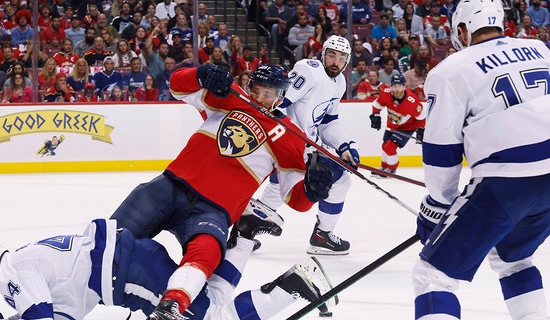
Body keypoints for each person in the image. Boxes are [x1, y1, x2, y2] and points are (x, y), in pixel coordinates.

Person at [110, 63, 335, 319]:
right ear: (249, 85)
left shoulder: (291, 136)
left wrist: (313, 190)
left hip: (213, 208)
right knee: (105, 243)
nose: (260, 98)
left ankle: (171, 306)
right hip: (169, 186)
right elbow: (177, 86)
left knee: (206, 252)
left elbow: (296, 200)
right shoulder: (231, 95)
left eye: (268, 94)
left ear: (281, 97)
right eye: (257, 90)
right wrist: (200, 74)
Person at [413, 0, 550, 318]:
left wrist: (439, 203)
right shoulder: (540, 49)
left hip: (506, 182)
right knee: (512, 259)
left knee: (433, 275)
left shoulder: (449, 71)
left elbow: (441, 152)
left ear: (462, 29)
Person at [0, 217, 328, 320]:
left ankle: (290, 286)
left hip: (125, 272)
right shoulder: (34, 263)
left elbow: (39, 317)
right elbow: (61, 314)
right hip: (128, 261)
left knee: (211, 317)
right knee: (212, 298)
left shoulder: (11, 270)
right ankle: (243, 238)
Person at [258, 36, 359, 256]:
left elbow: (328, 121)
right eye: (331, 54)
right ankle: (322, 236)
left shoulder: (339, 82)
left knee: (277, 188)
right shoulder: (308, 69)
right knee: (340, 181)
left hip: (302, 147)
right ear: (322, 54)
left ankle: (245, 230)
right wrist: (295, 140)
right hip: (287, 144)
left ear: (347, 61)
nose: (335, 61)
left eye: (341, 57)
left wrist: (345, 146)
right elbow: (277, 107)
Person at [368, 74, 424, 177]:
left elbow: (421, 117)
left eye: (399, 86)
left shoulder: (412, 101)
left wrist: (421, 130)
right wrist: (375, 116)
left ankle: (392, 169)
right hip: (392, 125)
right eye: (394, 86)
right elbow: (376, 105)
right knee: (385, 145)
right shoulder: (386, 94)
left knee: (390, 147)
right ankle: (384, 167)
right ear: (391, 86)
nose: (396, 89)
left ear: (404, 86)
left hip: (407, 128)